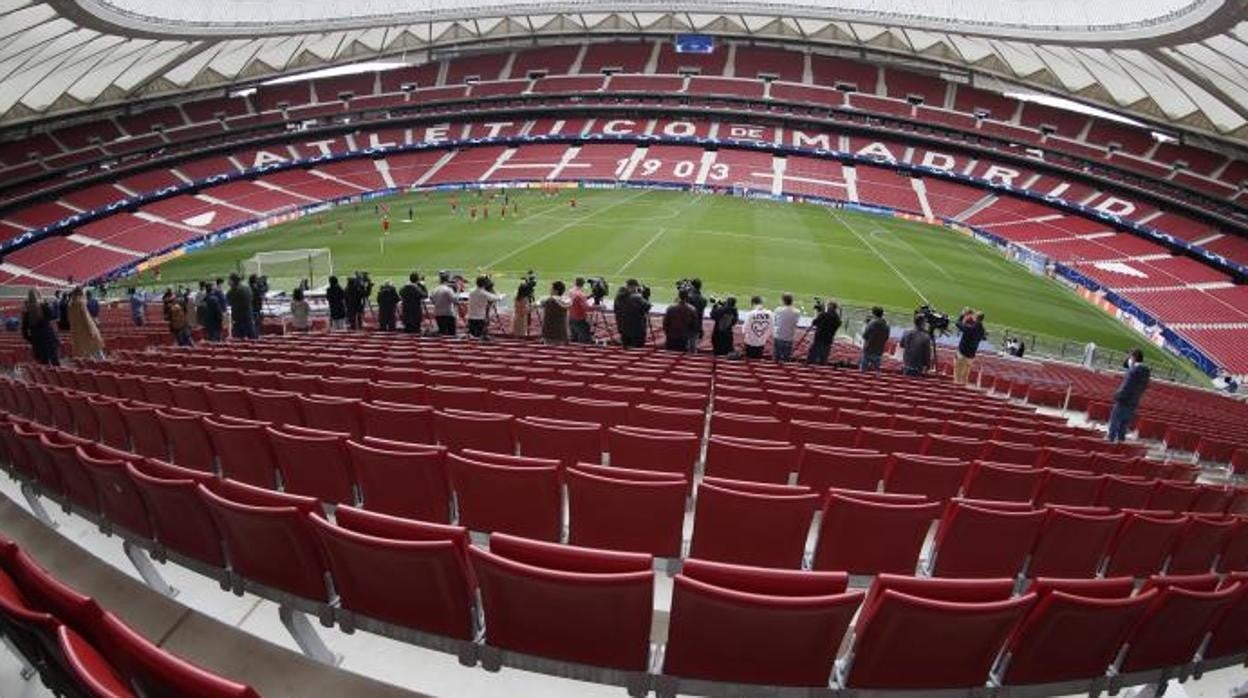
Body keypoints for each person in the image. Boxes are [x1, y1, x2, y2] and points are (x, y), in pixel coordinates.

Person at [1107, 349, 1150, 442]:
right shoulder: (1145, 372)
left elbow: (1126, 386)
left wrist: (1117, 396)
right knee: (1124, 425)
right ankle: (1120, 445)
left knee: (1115, 423)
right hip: (1134, 402)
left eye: (1130, 357)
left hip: (1123, 401)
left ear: (1134, 358)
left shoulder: (1133, 372)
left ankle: (1110, 443)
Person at [21, 289, 59, 366]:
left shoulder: (27, 311)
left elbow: (24, 330)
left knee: (43, 362)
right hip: (48, 337)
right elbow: (53, 316)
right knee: (54, 361)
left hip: (36, 339)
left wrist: (31, 339)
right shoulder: (44, 306)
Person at [67, 287, 105, 359]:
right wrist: (92, 330)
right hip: (86, 331)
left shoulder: (70, 305)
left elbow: (70, 320)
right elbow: (87, 318)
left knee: (86, 355)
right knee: (97, 351)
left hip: (77, 333)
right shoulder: (81, 303)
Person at [953, 309, 987, 385]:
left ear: (976, 318)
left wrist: (962, 315)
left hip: (962, 353)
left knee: (957, 374)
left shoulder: (970, 328)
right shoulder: (982, 330)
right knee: (965, 375)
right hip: (971, 355)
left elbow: (958, 324)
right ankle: (962, 387)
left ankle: (956, 387)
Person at [615, 279, 651, 349]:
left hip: (623, 328)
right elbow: (647, 307)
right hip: (637, 330)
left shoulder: (618, 297)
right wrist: (645, 297)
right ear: (634, 287)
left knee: (626, 349)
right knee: (637, 350)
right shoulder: (636, 298)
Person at [806, 301, 842, 365]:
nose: (827, 307)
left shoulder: (824, 315)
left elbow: (814, 322)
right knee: (823, 357)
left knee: (812, 356)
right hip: (828, 340)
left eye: (828, 306)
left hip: (819, 338)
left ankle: (809, 367)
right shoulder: (837, 319)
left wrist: (820, 313)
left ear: (830, 307)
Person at [226, 274, 256, 340]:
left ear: (233, 281)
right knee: (252, 337)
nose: (228, 282)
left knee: (240, 339)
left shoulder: (232, 291)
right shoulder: (247, 288)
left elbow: (228, 302)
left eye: (229, 280)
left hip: (239, 319)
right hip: (248, 316)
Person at [860, 307, 889, 372]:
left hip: (868, 350)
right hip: (879, 351)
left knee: (863, 371)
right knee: (876, 371)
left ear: (874, 314)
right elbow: (886, 338)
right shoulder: (886, 325)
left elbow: (864, 336)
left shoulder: (871, 323)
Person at [772, 293, 800, 362]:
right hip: (789, 338)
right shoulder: (797, 312)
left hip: (779, 337)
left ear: (783, 301)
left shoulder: (778, 310)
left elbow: (775, 321)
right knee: (786, 359)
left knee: (776, 359)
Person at [686, 279, 708, 352]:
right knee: (693, 345)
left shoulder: (688, 297)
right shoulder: (703, 300)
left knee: (687, 346)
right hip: (697, 324)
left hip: (687, 324)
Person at [568, 277, 591, 344]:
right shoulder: (581, 294)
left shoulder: (571, 291)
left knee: (573, 337)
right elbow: (587, 308)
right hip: (579, 319)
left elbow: (576, 299)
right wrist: (598, 307)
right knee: (584, 339)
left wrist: (588, 297)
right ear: (583, 284)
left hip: (571, 317)